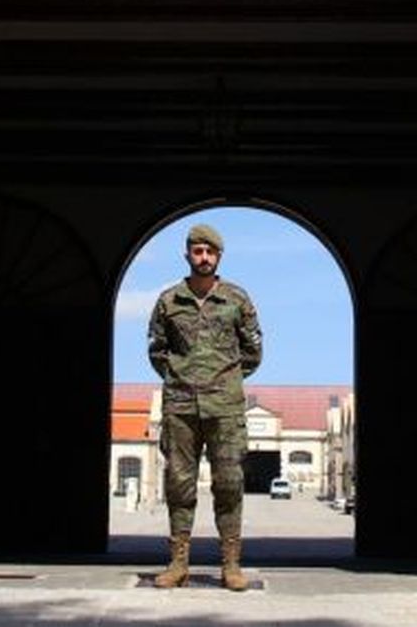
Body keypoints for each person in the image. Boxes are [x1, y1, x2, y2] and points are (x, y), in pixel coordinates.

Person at [147, 223, 263, 591]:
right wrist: (182, 378)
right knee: (179, 484)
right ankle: (178, 562)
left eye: (210, 252)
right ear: (187, 254)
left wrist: (223, 379)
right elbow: (157, 351)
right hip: (180, 405)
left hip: (225, 407)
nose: (204, 258)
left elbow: (253, 352)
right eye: (197, 251)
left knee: (229, 483)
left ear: (219, 257)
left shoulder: (236, 300)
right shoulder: (169, 301)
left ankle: (231, 565)